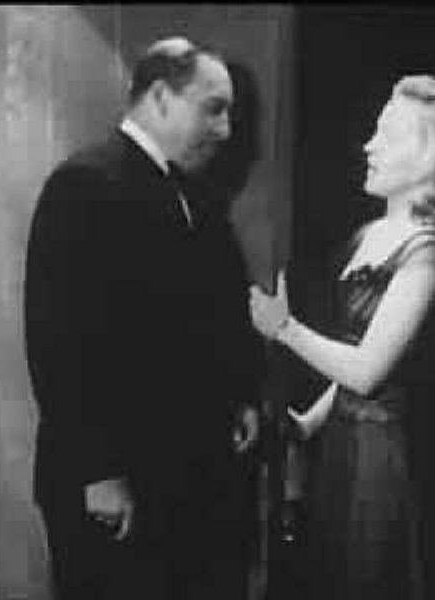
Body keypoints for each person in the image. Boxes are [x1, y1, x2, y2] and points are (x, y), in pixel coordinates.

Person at [24, 37, 264, 600]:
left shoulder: (193, 192)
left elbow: (213, 312)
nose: (225, 130)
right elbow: (59, 341)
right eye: (213, 109)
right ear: (159, 97)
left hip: (183, 473)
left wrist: (241, 396)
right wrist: (97, 471)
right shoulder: (84, 184)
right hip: (114, 481)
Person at [248, 74, 435, 599]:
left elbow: (369, 371)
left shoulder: (427, 249)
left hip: (384, 456)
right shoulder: (370, 234)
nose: (369, 146)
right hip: (343, 443)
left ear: (428, 155)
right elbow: (355, 359)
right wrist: (309, 424)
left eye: (387, 135)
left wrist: (284, 328)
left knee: (367, 575)